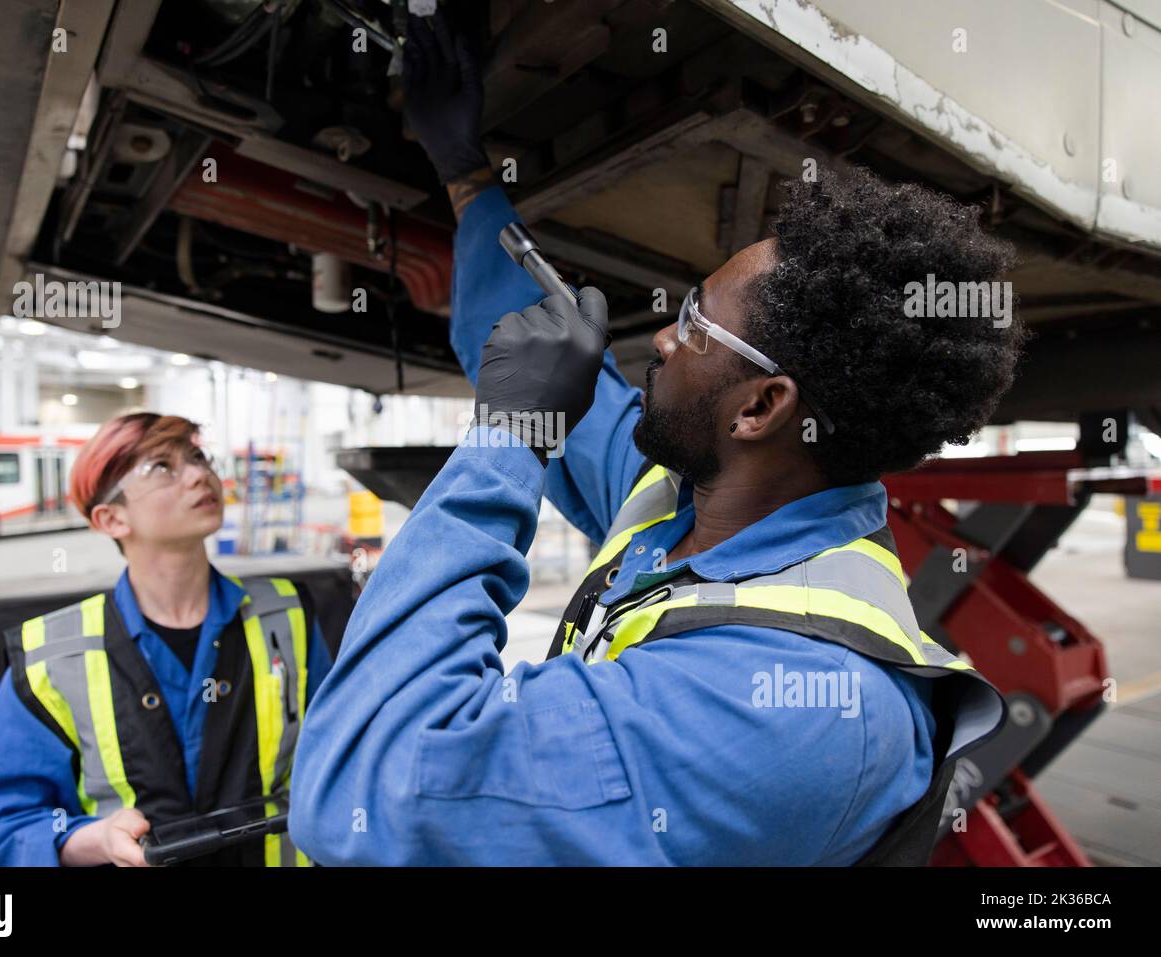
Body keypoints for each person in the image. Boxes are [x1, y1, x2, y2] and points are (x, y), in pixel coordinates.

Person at [284, 12, 1027, 866]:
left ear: (760, 406)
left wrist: (509, 438)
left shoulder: (799, 707)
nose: (664, 339)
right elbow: (511, 332)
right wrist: (464, 173)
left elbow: (367, 787)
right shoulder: (692, 498)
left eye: (694, 324)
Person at [0, 412, 331, 866]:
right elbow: (2, 828)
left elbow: (339, 765)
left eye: (197, 457)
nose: (200, 474)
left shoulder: (287, 614)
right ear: (112, 518)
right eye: (162, 467)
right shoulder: (51, 658)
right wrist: (97, 839)